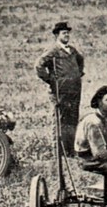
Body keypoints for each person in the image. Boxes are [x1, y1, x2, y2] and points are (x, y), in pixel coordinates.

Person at [34, 21, 84, 157]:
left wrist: (77, 75)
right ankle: (59, 153)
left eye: (68, 33)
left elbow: (80, 60)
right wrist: (51, 80)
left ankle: (71, 150)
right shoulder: (53, 51)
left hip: (74, 91)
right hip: (59, 92)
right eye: (64, 33)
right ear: (57, 35)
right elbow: (39, 65)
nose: (67, 35)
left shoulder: (72, 50)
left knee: (72, 120)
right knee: (60, 121)